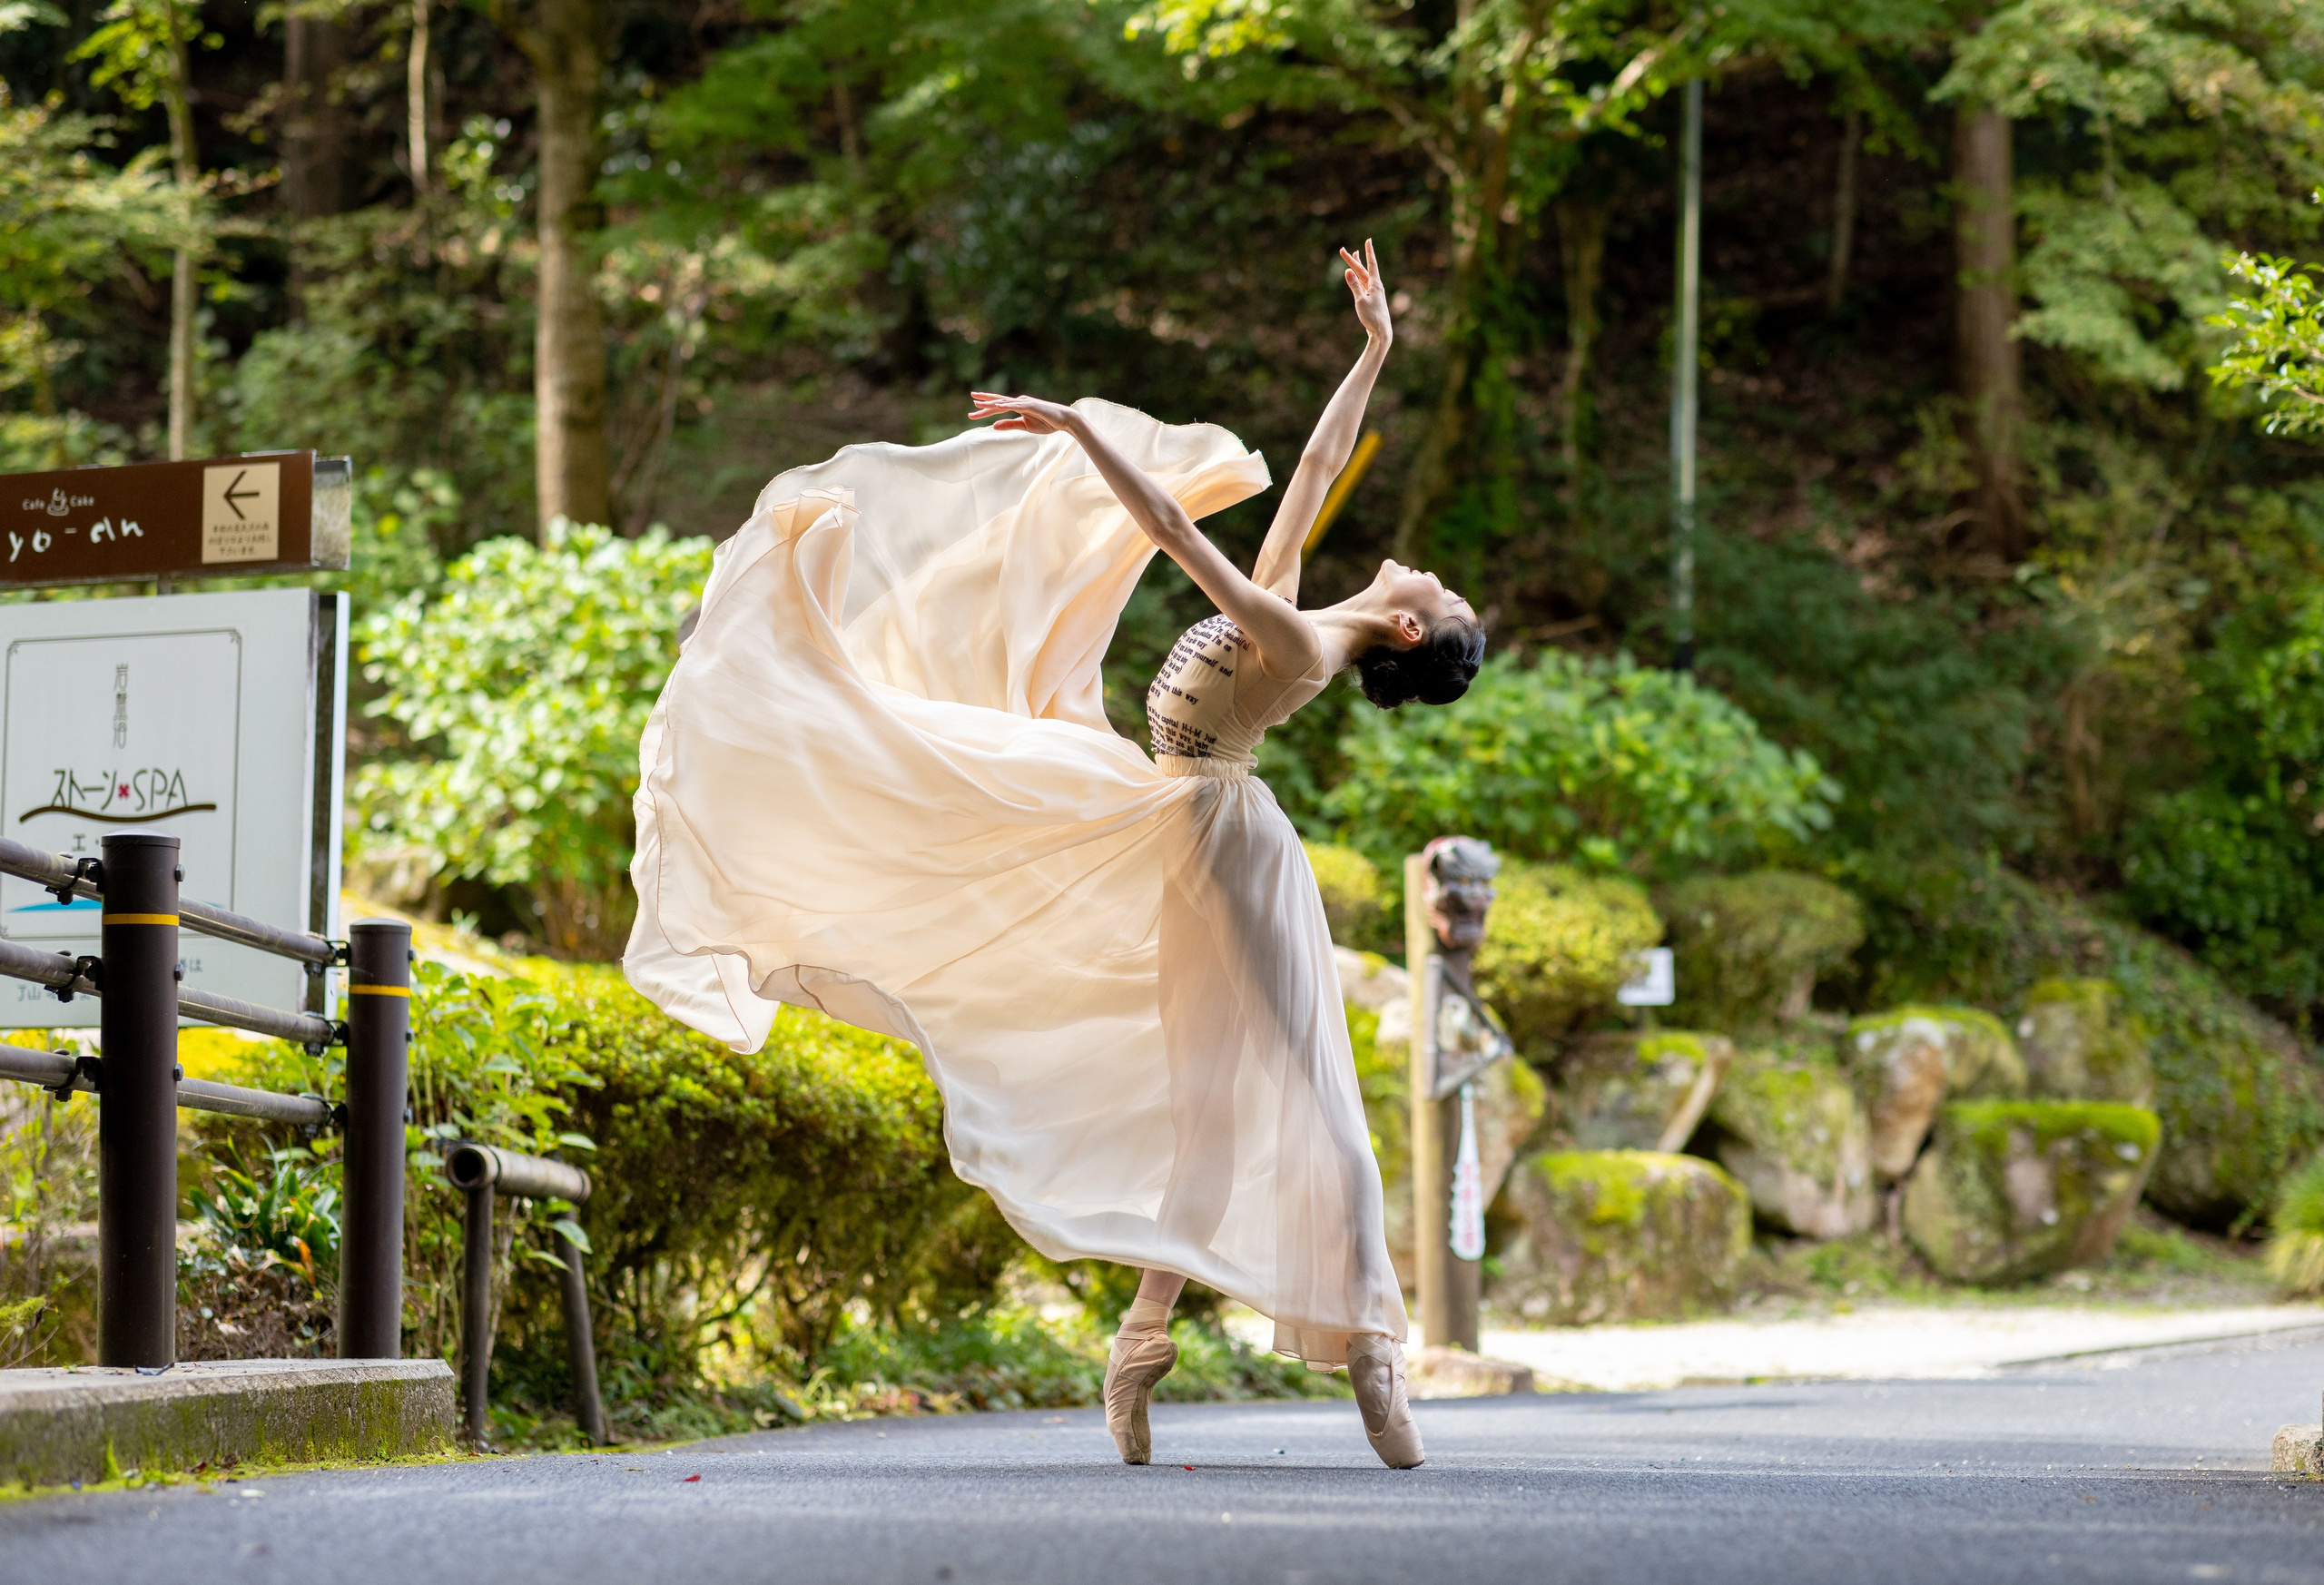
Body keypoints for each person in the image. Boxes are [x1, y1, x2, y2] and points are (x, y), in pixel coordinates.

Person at [624, 241, 1483, 1471]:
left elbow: (1178, 530)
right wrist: (1375, 349)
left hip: (1227, 850)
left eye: (1437, 595)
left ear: (1405, 629)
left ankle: (1374, 1352)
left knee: (1303, 1089)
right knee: (1204, 1115)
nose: (1430, 571)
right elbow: (1316, 462)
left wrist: (1080, 430)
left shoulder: (1293, 638)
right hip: (1167, 823)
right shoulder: (1297, 597)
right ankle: (1138, 1355)